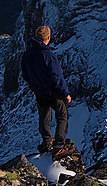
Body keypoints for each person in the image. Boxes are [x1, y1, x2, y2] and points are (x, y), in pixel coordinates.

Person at [21, 25, 73, 156]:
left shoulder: (28, 54)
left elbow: (25, 74)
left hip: (39, 92)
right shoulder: (48, 56)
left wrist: (35, 85)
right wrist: (65, 93)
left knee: (44, 116)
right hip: (52, 92)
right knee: (62, 116)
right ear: (48, 37)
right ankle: (59, 146)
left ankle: (47, 143)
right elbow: (57, 77)